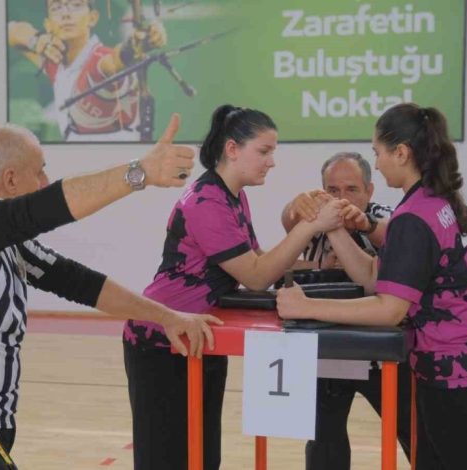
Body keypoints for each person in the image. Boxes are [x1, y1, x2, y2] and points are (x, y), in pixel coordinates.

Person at [0, 115, 220, 469]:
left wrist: (167, 317)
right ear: (10, 180)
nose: (45, 182)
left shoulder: (12, 245)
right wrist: (139, 173)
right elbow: (36, 212)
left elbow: (79, 282)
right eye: (40, 172)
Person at [277, 103, 467, 470]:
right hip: (465, 366)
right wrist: (335, 227)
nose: (378, 162)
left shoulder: (412, 217)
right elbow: (375, 275)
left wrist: (305, 306)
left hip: (463, 372)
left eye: (378, 153)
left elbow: (389, 308)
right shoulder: (431, 201)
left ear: (401, 153)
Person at [123, 105, 346, 470]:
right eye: (264, 151)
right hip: (162, 338)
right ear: (232, 149)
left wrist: (320, 267)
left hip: (201, 332)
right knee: (167, 459)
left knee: (203, 456)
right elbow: (256, 276)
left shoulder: (233, 195)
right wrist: (310, 226)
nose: (272, 161)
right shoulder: (206, 202)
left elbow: (259, 258)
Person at [281, 152, 410, 470]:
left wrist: (363, 226)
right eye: (333, 190)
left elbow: (395, 234)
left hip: (381, 350)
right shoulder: (314, 218)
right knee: (324, 440)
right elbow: (288, 224)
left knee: (411, 429)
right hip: (325, 348)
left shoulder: (383, 218)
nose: (341, 198)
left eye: (351, 189)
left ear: (369, 190)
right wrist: (296, 205)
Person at [8, 0, 167, 141]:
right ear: (48, 24)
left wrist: (140, 42)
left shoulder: (100, 59)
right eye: (56, 7)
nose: (66, 14)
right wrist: (36, 41)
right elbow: (11, 31)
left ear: (93, 18)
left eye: (76, 5)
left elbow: (116, 60)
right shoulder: (55, 61)